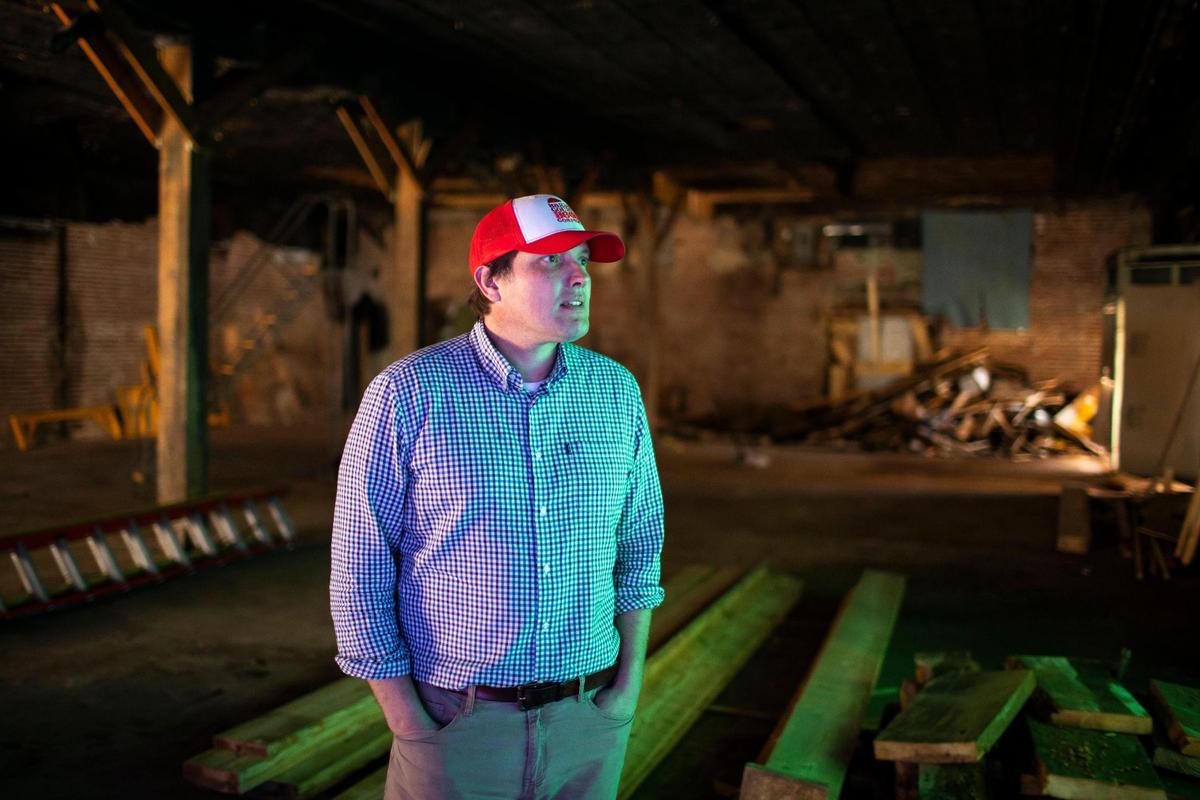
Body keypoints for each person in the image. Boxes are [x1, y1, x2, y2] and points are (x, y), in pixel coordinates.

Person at [330, 194, 665, 800]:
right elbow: (360, 571)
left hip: (587, 714)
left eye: (583, 260)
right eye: (550, 262)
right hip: (457, 723)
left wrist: (628, 685)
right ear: (490, 281)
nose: (579, 277)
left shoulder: (615, 392)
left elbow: (640, 549)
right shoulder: (407, 394)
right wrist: (410, 721)